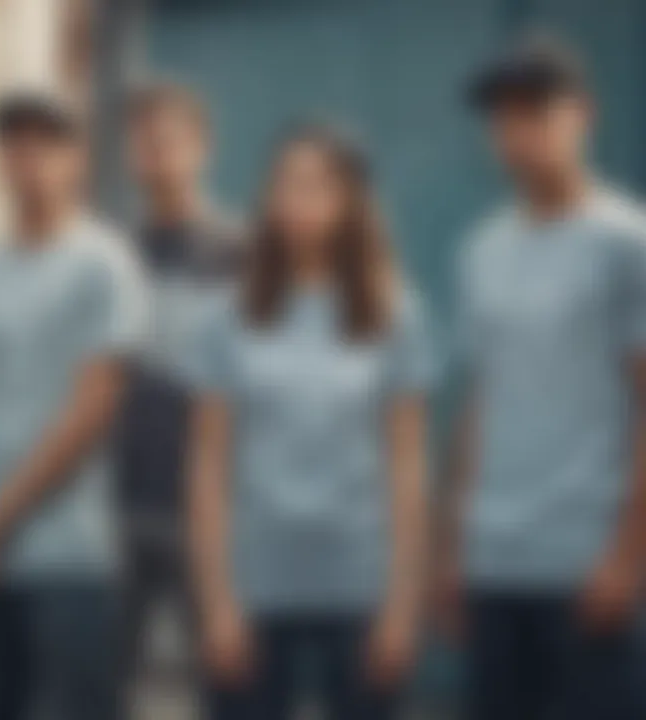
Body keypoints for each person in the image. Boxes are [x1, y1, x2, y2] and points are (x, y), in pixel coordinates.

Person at [188, 124, 435, 719]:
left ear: (352, 201)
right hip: (255, 584)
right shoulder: (231, 314)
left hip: (359, 584)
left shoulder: (393, 310)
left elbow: (407, 468)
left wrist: (402, 608)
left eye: (320, 185)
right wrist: (218, 602)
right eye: (287, 184)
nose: (300, 201)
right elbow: (208, 467)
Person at [438, 34, 646, 720]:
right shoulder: (482, 249)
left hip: (586, 564)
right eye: (503, 117)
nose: (517, 133)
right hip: (496, 559)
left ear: (582, 114)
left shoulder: (625, 242)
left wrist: (627, 554)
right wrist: (451, 546)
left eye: (535, 111)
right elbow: (479, 403)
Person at [0, 91, 145, 720]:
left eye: (45, 142)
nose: (26, 157)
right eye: (12, 143)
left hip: (66, 556)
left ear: (76, 158)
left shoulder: (102, 264)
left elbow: (90, 412)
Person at [119, 80, 242, 682]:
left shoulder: (242, 252)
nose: (157, 153)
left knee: (231, 689)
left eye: (170, 140)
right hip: (120, 509)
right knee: (98, 688)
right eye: (143, 141)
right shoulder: (113, 254)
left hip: (214, 514)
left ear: (203, 148)